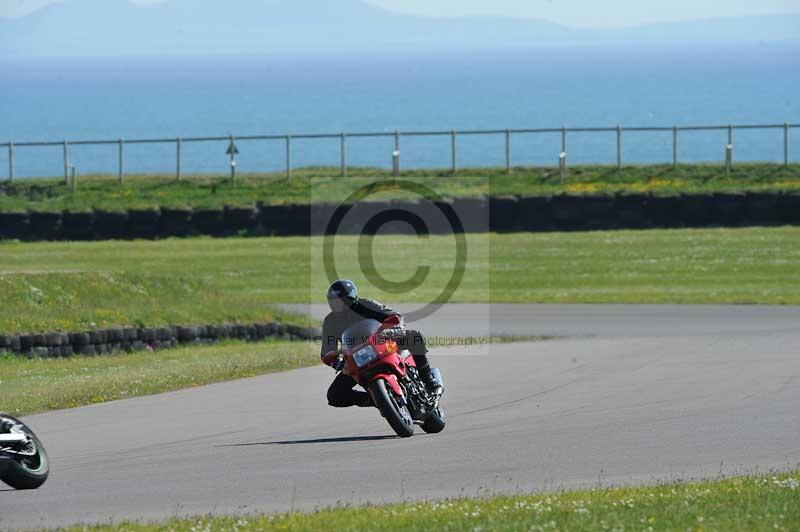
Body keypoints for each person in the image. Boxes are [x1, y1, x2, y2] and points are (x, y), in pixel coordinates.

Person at [321, 279, 435, 408]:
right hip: (357, 359)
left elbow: (394, 316)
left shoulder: (366, 305)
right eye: (334, 302)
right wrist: (335, 362)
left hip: (382, 344)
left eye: (342, 301)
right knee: (335, 395)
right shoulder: (330, 321)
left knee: (414, 336)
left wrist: (395, 329)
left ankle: (429, 380)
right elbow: (326, 350)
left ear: (352, 298)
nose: (338, 305)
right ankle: (376, 400)